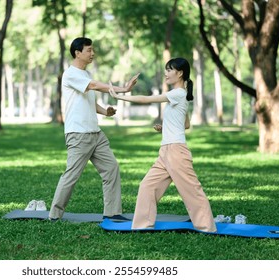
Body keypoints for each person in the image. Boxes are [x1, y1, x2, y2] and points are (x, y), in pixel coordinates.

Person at [109, 57, 216, 232]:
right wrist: (165, 127)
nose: (166, 73)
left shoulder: (178, 93)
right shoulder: (180, 96)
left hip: (176, 151)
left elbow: (147, 99)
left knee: (191, 190)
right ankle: (142, 225)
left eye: (169, 69)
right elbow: (186, 124)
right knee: (147, 186)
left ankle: (207, 227)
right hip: (165, 152)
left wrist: (119, 96)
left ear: (179, 73)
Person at [48, 37, 140, 221]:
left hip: (95, 133)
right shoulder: (71, 74)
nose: (93, 53)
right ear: (78, 53)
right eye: (89, 50)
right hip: (79, 134)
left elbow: (89, 100)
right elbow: (94, 86)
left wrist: (105, 111)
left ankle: (112, 212)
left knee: (111, 168)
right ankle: (54, 215)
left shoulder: (85, 74)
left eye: (92, 50)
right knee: (72, 175)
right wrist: (123, 89)